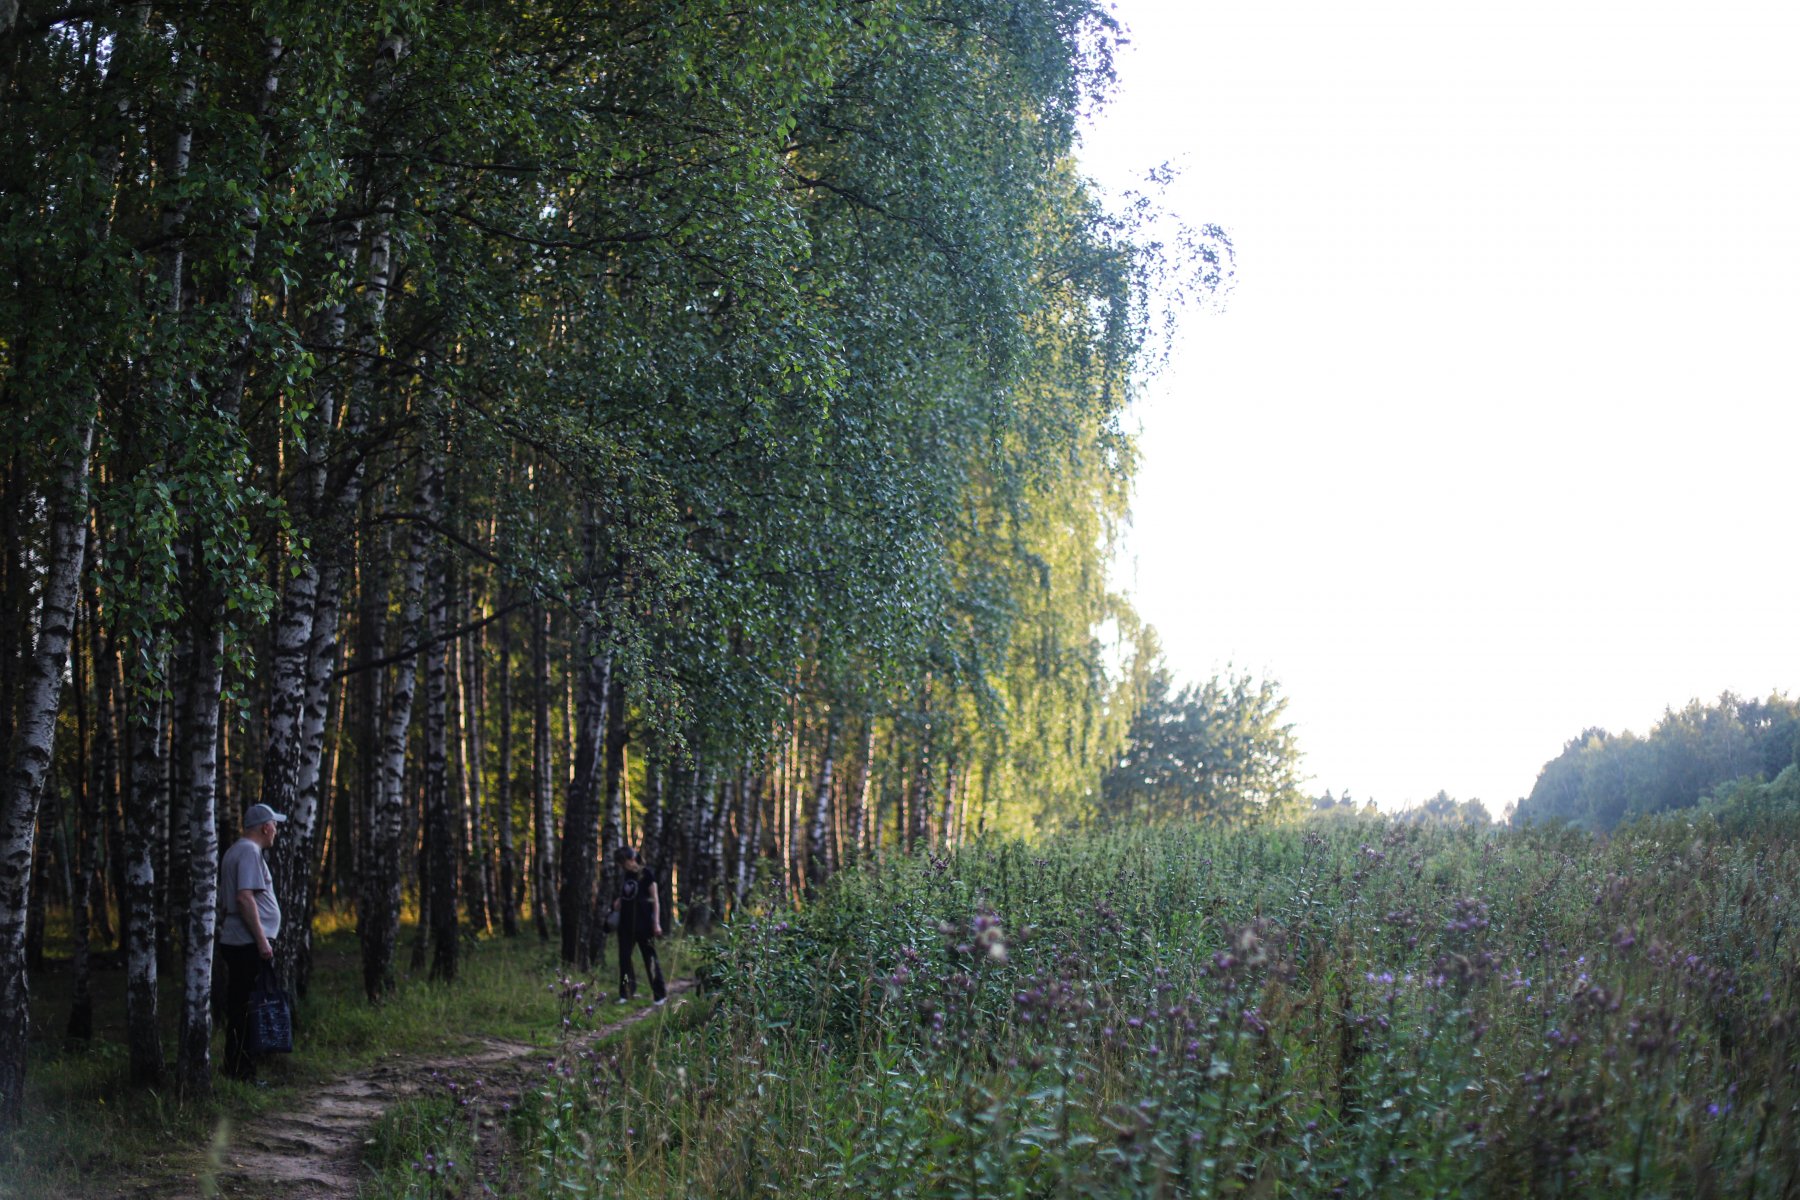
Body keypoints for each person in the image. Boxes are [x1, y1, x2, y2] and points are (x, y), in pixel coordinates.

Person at [217, 802, 285, 1081]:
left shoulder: (239, 850)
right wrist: (262, 942)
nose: (276, 831)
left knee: (241, 1006)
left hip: (239, 941)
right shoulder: (248, 852)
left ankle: (237, 1066)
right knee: (246, 1008)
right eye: (275, 826)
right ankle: (242, 1071)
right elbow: (245, 898)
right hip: (246, 944)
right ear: (265, 827)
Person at [610, 846, 667, 1005]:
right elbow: (626, 895)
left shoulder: (647, 874)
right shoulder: (625, 875)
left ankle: (660, 995)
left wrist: (656, 923)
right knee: (624, 959)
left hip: (645, 925)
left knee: (650, 959)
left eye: (624, 862)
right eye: (621, 863)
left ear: (632, 859)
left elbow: (655, 900)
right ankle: (626, 993)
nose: (623, 865)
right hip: (625, 926)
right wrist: (619, 902)